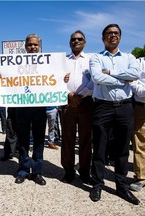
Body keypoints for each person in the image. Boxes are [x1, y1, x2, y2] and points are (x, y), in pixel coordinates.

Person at [89, 24, 141, 205]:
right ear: (103, 38)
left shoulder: (129, 57)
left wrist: (111, 73)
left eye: (116, 33)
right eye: (109, 33)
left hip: (125, 107)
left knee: (122, 148)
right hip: (103, 107)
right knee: (100, 146)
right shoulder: (96, 57)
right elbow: (97, 78)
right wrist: (123, 79)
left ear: (120, 37)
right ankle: (97, 183)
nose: (113, 36)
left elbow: (135, 74)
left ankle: (121, 185)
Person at [61, 30, 93, 184]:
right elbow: (55, 80)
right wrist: (69, 95)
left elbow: (95, 80)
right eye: (73, 39)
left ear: (85, 42)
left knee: (86, 139)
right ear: (69, 43)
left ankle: (85, 171)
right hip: (67, 103)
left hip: (86, 102)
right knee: (67, 139)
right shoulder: (63, 60)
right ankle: (68, 171)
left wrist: (81, 95)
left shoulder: (92, 59)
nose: (76, 41)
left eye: (80, 39)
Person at [14, 34, 47, 186]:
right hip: (22, 107)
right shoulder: (15, 64)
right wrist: (1, 76)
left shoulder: (47, 64)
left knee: (39, 139)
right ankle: (23, 170)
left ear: (39, 46)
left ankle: (37, 171)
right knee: (23, 139)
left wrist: (63, 78)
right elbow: (10, 80)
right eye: (30, 45)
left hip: (39, 106)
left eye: (35, 45)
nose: (33, 47)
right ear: (25, 47)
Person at [130, 56, 145, 192]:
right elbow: (133, 82)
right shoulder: (139, 62)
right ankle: (141, 177)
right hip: (142, 105)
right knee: (140, 141)